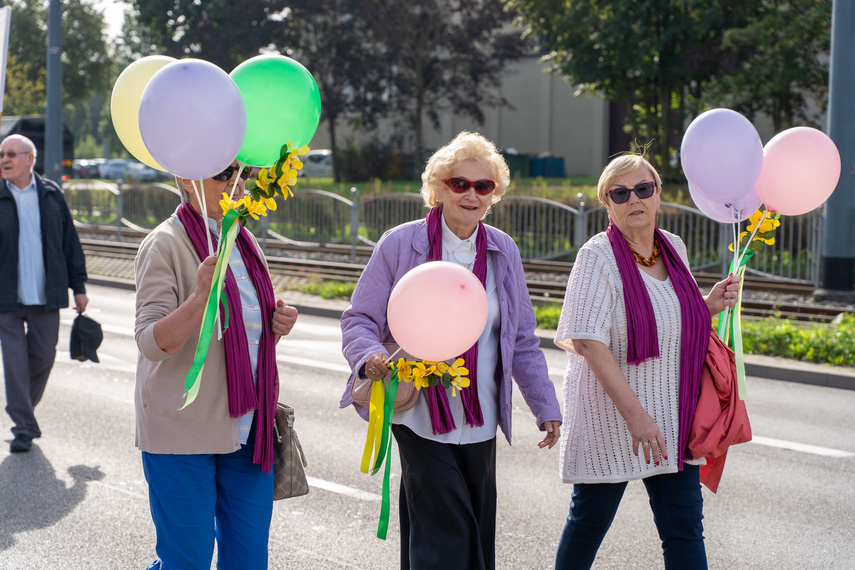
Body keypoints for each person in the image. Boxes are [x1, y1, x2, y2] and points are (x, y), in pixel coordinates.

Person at [340, 131, 562, 570]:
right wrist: (369, 356)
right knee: (449, 534)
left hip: (478, 419)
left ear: (493, 194)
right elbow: (358, 318)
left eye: (484, 186)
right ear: (438, 188)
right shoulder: (400, 244)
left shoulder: (503, 252)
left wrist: (545, 405)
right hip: (417, 412)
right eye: (460, 183)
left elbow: (521, 338)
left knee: (465, 532)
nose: (472, 194)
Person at [552, 152, 741, 569]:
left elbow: (670, 318)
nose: (633, 199)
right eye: (620, 193)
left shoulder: (673, 247)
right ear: (607, 204)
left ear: (658, 195)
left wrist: (706, 305)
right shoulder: (596, 257)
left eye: (643, 189)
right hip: (611, 419)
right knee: (588, 526)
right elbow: (588, 342)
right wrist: (636, 416)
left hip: (673, 419)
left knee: (684, 531)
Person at [134, 161, 299, 569]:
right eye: (224, 174)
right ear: (187, 181)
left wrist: (277, 324)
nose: (238, 182)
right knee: (185, 561)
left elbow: (241, 337)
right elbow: (152, 343)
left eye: (241, 173)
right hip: (183, 431)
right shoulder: (165, 243)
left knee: (247, 561)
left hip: (248, 431)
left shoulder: (244, 241)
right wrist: (197, 298)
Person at [0, 134, 88, 453]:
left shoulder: (52, 194)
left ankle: (25, 412)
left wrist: (78, 287)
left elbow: (69, 243)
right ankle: (23, 426)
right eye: (1, 155)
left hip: (45, 295)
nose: (5, 160)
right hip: (6, 299)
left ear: (29, 159)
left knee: (44, 357)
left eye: (11, 154)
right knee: (14, 364)